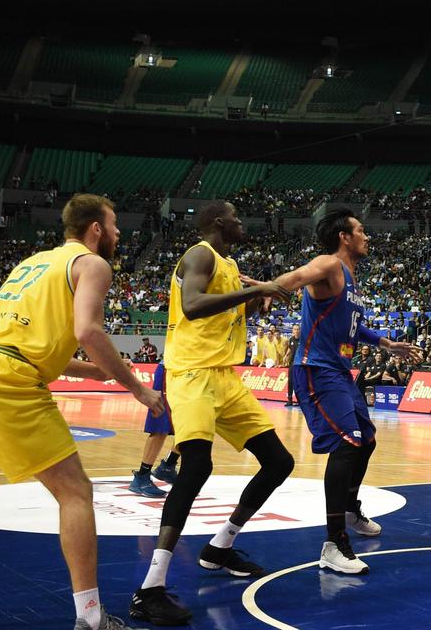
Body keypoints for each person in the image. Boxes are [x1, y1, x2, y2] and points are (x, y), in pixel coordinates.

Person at [0, 194, 164, 630]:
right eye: (114, 225)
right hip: (2, 378)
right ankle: (91, 619)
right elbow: (87, 329)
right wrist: (135, 387)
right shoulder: (93, 264)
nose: (119, 234)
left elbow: (25, 341)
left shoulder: (35, 261)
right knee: (76, 492)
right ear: (95, 229)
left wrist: (95, 373)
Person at [129, 202, 295, 625]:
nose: (243, 222)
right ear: (219, 222)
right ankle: (150, 587)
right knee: (197, 466)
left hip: (224, 375)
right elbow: (194, 305)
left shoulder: (230, 263)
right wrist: (255, 290)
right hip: (191, 374)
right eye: (237, 217)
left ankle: (220, 545)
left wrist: (256, 301)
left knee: (279, 461)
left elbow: (227, 312)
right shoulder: (199, 253)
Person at [275, 209, 422, 573]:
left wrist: (385, 343)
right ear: (344, 236)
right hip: (316, 369)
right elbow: (294, 278)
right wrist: (267, 290)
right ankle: (334, 542)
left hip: (339, 372)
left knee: (367, 440)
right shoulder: (327, 265)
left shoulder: (350, 278)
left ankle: (351, 507)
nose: (367, 236)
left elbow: (351, 328)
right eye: (360, 231)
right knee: (347, 443)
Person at [127, 361, 180, 498]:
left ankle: (168, 465)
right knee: (160, 427)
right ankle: (142, 476)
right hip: (172, 369)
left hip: (195, 371)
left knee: (193, 424)